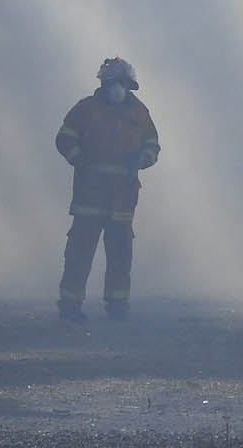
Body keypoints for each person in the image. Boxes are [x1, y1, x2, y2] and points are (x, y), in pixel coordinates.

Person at [54, 56, 160, 321]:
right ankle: (70, 307)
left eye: (121, 84)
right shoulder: (85, 110)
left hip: (123, 200)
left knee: (120, 258)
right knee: (79, 254)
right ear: (104, 84)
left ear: (129, 85)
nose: (117, 89)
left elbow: (152, 145)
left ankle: (117, 307)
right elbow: (64, 139)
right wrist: (80, 159)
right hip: (89, 197)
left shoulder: (139, 113)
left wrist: (142, 159)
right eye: (112, 83)